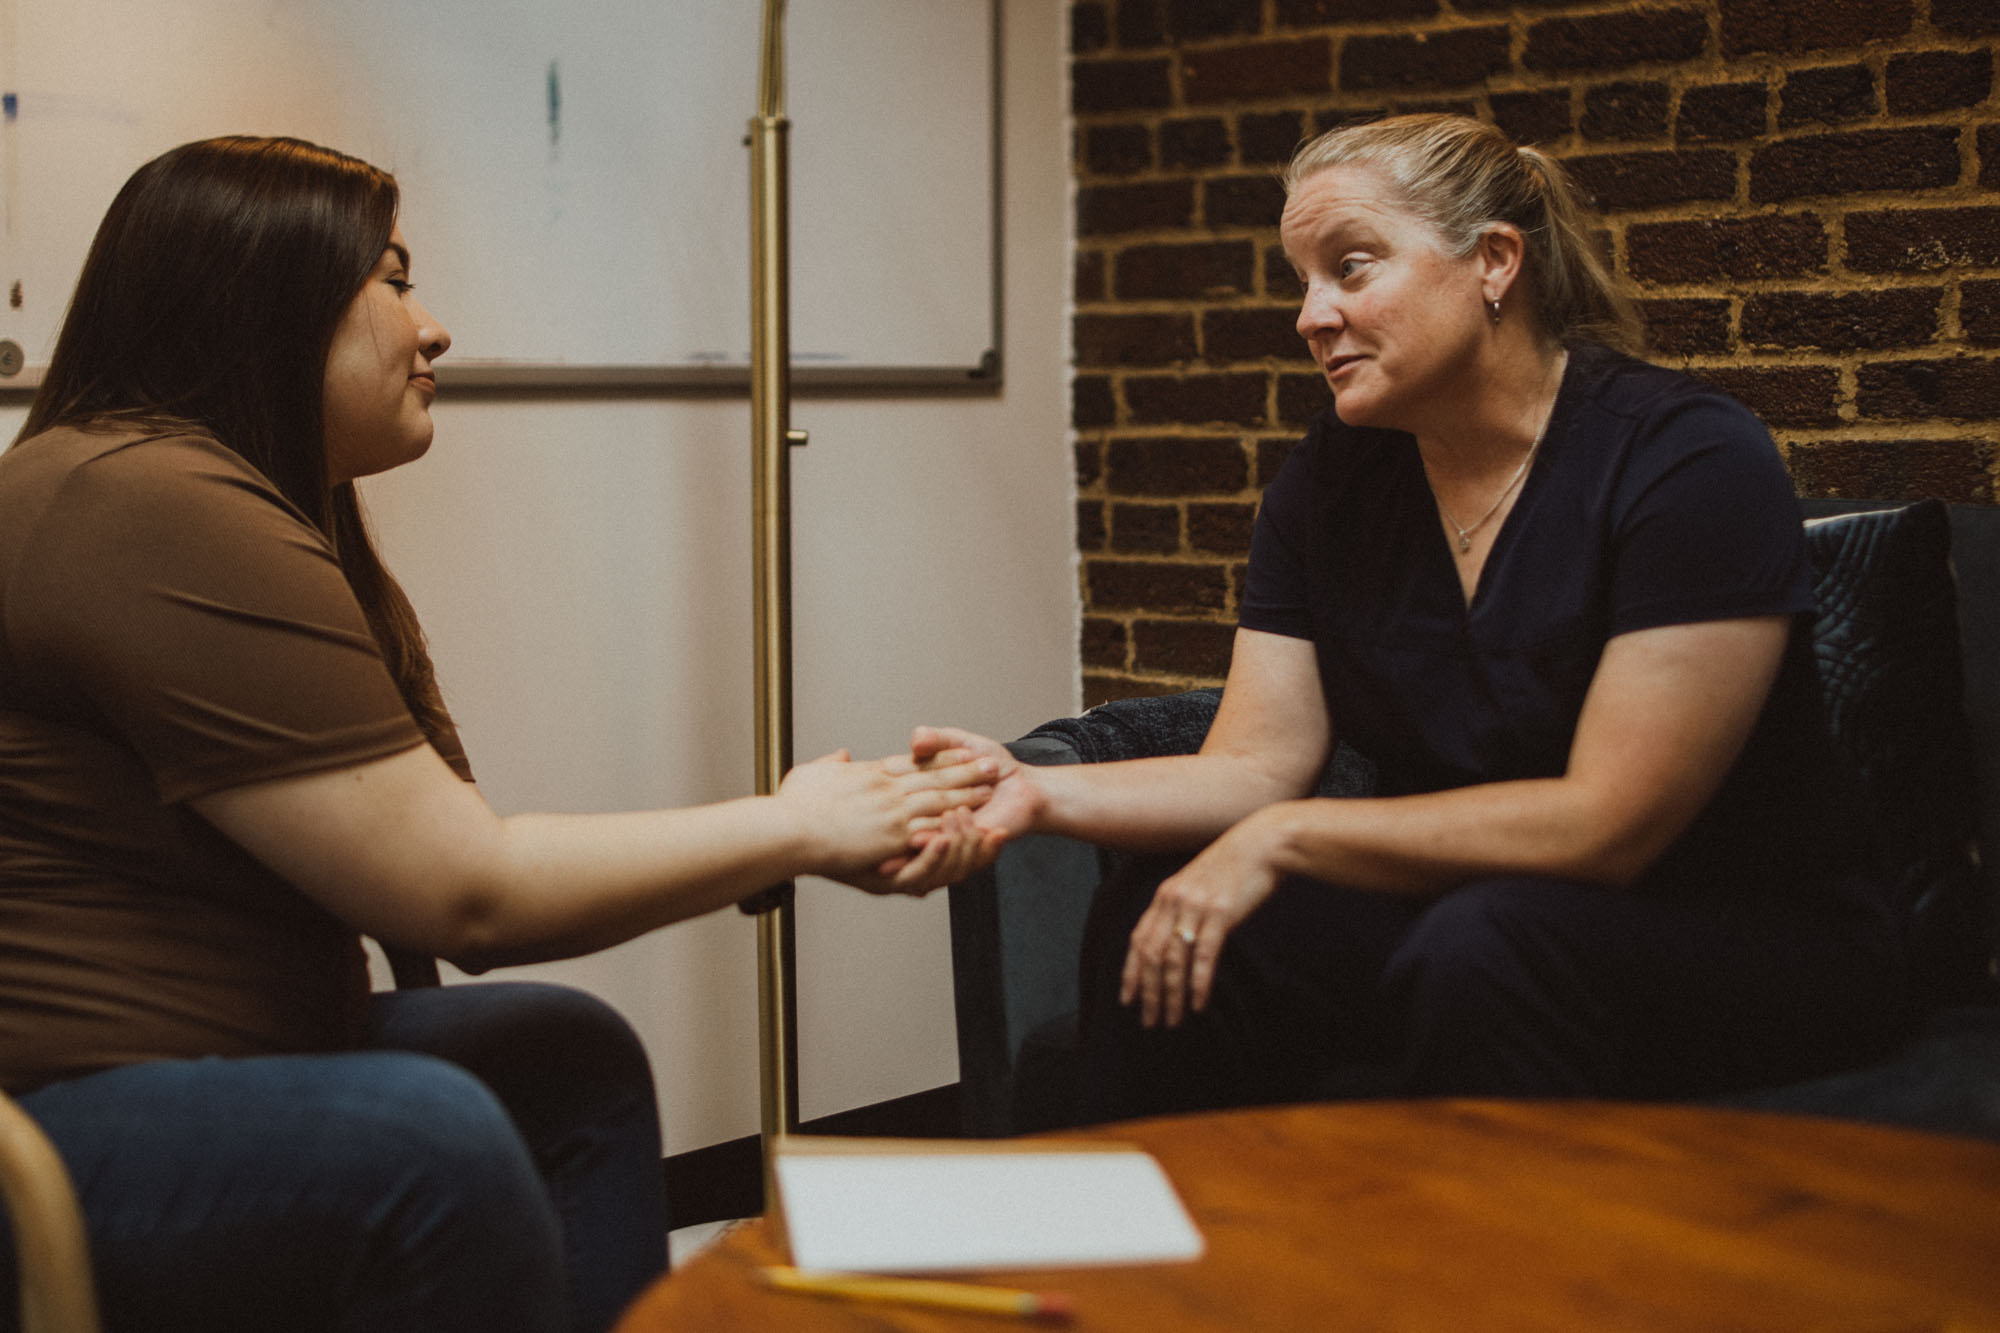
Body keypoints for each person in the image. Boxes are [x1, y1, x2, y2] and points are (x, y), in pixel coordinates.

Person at [0, 135, 996, 1333]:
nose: (434, 329)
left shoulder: (239, 505)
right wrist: (795, 827)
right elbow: (466, 897)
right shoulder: (141, 501)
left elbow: (450, 859)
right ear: (261, 297)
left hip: (222, 1058)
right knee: (428, 1142)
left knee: (559, 1053)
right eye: (395, 278)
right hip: (52, 1124)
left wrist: (809, 828)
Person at [917, 113, 1908, 1124]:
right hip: (1473, 907)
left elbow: (1606, 823)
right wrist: (1034, 793)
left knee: (1484, 942)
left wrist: (1288, 839)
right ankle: (1159, 1254)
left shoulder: (1687, 460)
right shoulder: (1333, 478)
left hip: (1739, 927)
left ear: (1492, 261)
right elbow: (1254, 765)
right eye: (1301, 280)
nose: (1310, 314)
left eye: (1349, 268)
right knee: (1166, 921)